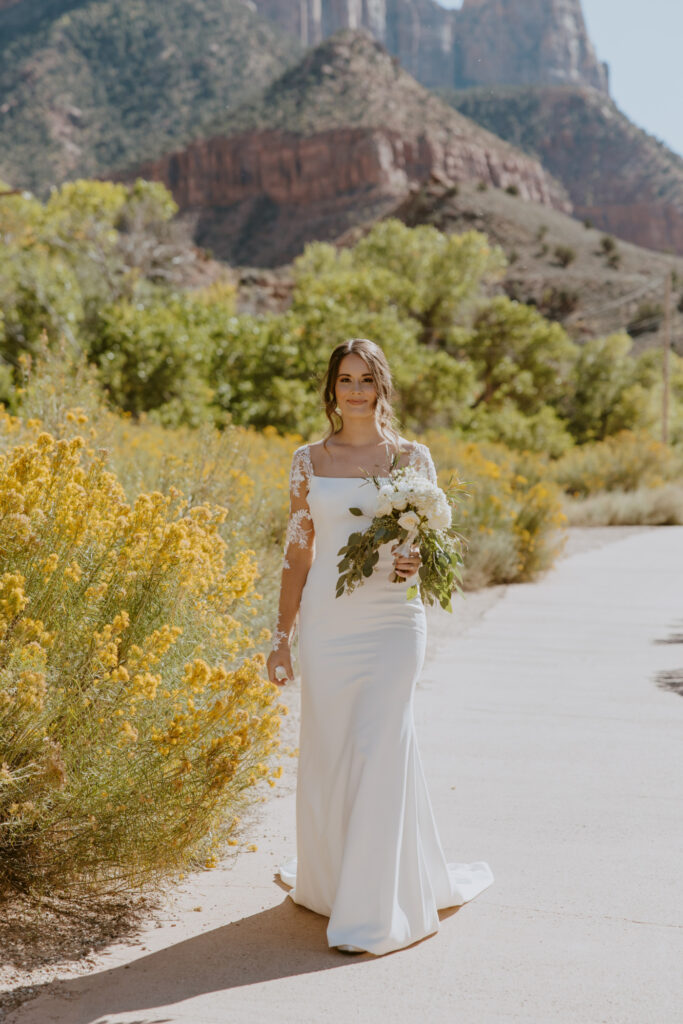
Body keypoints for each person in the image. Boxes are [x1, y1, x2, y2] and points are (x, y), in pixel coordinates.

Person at [266, 338, 493, 956]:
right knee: (335, 750)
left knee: (382, 744)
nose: (356, 390)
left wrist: (416, 560)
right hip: (328, 624)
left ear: (382, 386)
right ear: (331, 389)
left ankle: (375, 910)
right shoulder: (308, 460)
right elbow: (299, 553)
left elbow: (433, 549)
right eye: (345, 379)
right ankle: (336, 881)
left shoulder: (413, 457)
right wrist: (281, 638)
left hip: (394, 621)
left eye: (367, 379)